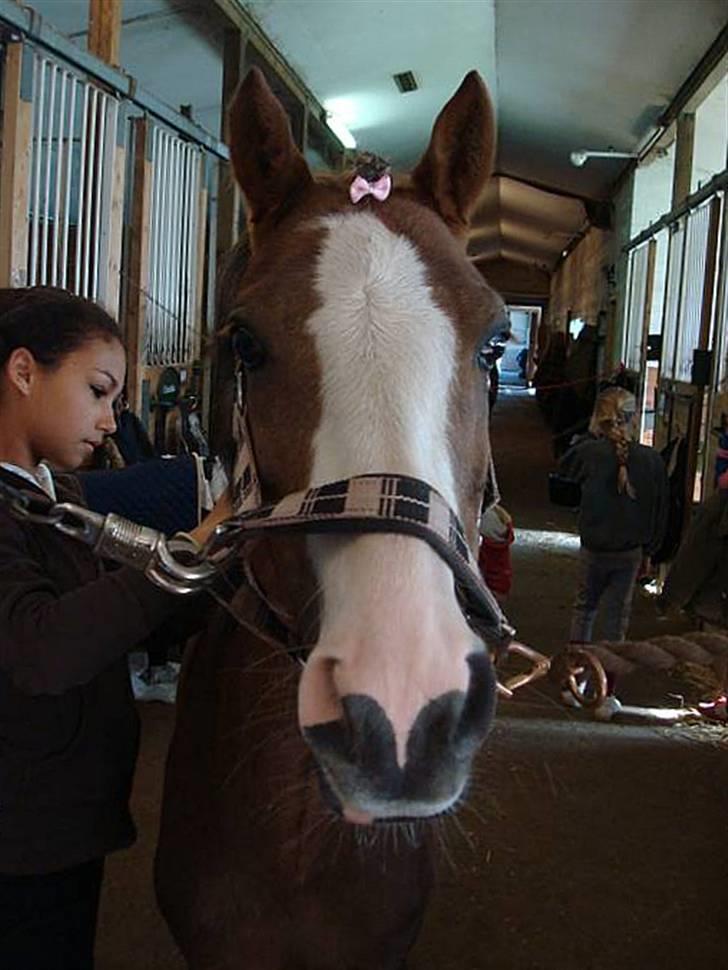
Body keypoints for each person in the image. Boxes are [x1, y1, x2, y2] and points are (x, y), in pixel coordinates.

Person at [0, 291, 231, 969]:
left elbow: (116, 612)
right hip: (17, 840)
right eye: (98, 392)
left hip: (63, 823)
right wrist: (193, 546)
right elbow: (43, 647)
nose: (109, 421)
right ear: (22, 371)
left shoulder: (55, 497)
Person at [558, 387, 668, 719]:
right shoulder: (651, 461)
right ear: (635, 418)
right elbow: (659, 511)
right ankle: (607, 694)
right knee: (615, 623)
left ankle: (573, 686)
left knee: (584, 612)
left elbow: (563, 472)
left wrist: (588, 437)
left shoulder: (588, 453)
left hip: (594, 548)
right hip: (629, 552)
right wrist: (651, 548)